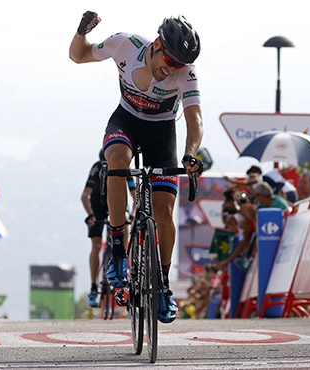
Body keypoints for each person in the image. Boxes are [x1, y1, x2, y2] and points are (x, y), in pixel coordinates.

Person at [70, 11, 203, 323]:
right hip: (126, 121)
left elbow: (195, 120)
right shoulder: (124, 45)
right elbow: (79, 56)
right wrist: (80, 33)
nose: (171, 69)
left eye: (179, 66)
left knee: (164, 210)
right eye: (169, 61)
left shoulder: (185, 73)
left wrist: (190, 155)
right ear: (157, 44)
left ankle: (164, 286)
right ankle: (118, 251)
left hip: (162, 132)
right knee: (116, 161)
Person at [81, 149, 135, 307]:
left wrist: (132, 215)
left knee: (124, 219)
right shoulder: (97, 168)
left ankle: (122, 257)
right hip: (97, 207)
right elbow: (85, 195)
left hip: (117, 204)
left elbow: (134, 195)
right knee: (96, 245)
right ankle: (93, 286)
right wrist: (90, 215)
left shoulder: (124, 167)